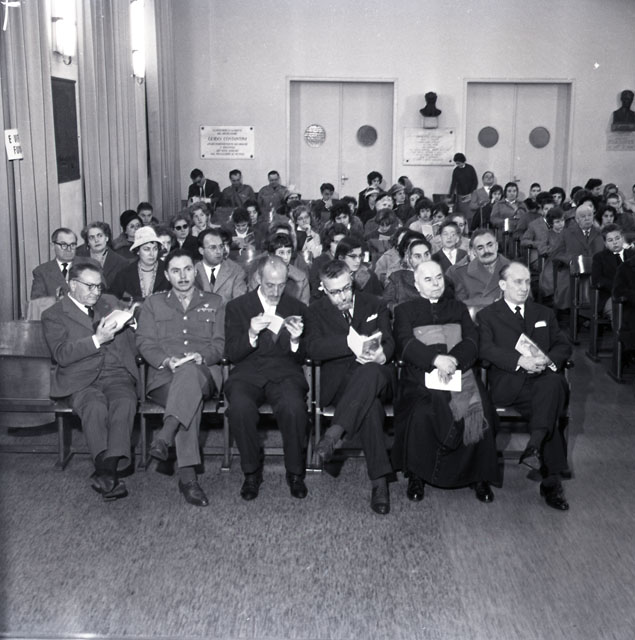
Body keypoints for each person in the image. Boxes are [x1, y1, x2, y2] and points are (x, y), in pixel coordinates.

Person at [392, 261, 499, 503]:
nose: (435, 284)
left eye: (439, 277)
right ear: (417, 285)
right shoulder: (404, 310)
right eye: (428, 280)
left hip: (459, 372)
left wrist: (453, 361)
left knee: (481, 407)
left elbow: (472, 340)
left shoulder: (458, 308)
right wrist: (435, 360)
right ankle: (417, 475)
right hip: (420, 376)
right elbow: (404, 342)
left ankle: (478, 475)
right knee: (421, 411)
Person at [477, 262, 572, 511]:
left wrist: (548, 360)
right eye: (517, 282)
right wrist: (519, 361)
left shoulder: (543, 313)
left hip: (543, 380)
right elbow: (485, 349)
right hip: (511, 384)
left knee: (551, 384)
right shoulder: (488, 316)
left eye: (528, 281)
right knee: (550, 404)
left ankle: (536, 447)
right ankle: (549, 478)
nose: (524, 287)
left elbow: (563, 345)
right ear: (502, 285)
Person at [42, 262, 139, 501]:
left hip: (116, 373)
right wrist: (97, 340)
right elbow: (61, 354)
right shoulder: (54, 314)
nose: (96, 292)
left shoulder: (109, 302)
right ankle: (109, 472)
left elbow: (131, 334)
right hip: (81, 379)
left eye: (99, 286)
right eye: (90, 286)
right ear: (72, 285)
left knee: (125, 402)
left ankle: (105, 473)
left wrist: (133, 323)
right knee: (94, 406)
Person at [136, 250, 225, 507]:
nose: (183, 276)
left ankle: (164, 437)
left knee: (188, 374)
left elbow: (220, 344)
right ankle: (188, 479)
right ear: (166, 275)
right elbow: (144, 342)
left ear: (195, 271)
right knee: (188, 400)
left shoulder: (215, 301)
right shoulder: (153, 303)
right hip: (163, 377)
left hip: (204, 372)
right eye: (176, 271)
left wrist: (202, 356)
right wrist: (166, 360)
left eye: (187, 269)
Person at [306, 260, 395, 514]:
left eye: (346, 288)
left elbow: (389, 341)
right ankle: (380, 483)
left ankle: (334, 434)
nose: (343, 296)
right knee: (370, 408)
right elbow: (312, 349)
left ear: (352, 280)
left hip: (378, 377)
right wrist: (349, 342)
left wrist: (383, 355)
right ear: (323, 288)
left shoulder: (375, 304)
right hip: (340, 385)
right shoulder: (315, 310)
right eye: (334, 292)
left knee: (370, 371)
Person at [224, 256, 309, 501]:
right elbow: (232, 353)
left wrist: (296, 341)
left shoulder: (297, 308)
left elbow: (303, 356)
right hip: (248, 372)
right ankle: (251, 472)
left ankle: (295, 472)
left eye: (281, 285)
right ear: (258, 279)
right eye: (270, 285)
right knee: (240, 408)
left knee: (294, 408)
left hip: (284, 372)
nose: (275, 291)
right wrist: (251, 333)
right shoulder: (237, 307)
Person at [446, 228, 510, 312]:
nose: (486, 251)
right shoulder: (460, 273)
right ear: (474, 252)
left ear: (497, 246)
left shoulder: (514, 270)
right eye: (480, 248)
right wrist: (490, 301)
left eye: (490, 245)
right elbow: (458, 305)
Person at [110, 226, 170, 302]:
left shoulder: (167, 270)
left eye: (155, 249)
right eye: (146, 249)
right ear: (137, 251)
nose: (152, 254)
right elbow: (112, 300)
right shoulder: (124, 274)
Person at [248, 234, 310, 305]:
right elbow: (252, 302)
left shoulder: (301, 278)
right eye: (281, 253)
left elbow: (304, 307)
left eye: (289, 252)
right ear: (271, 254)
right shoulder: (259, 276)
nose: (286, 257)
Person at [591, 224, 634, 321]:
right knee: (623, 314)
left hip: (632, 295)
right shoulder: (599, 258)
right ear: (605, 243)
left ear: (622, 238)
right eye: (610, 240)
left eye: (617, 238)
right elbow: (597, 279)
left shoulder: (632, 255)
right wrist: (619, 288)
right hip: (611, 296)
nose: (615, 242)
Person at [194, 228, 247, 305]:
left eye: (221, 246)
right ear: (201, 251)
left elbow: (239, 305)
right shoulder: (192, 271)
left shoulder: (236, 271)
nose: (219, 251)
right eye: (213, 247)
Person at [383, 237, 432, 312]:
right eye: (418, 256)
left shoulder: (441, 279)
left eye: (426, 254)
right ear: (409, 259)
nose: (423, 260)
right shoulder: (397, 278)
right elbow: (386, 303)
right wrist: (402, 311)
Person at [76, 221, 128, 289]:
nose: (96, 240)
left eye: (100, 236)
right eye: (92, 237)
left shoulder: (121, 262)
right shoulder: (79, 260)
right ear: (88, 242)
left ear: (107, 238)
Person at [31, 227, 78, 299]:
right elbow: (38, 301)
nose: (69, 249)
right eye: (64, 245)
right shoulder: (41, 272)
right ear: (52, 246)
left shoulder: (90, 265)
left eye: (72, 245)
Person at [449, 153, 478, 219]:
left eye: (459, 163)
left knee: (470, 214)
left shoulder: (470, 168)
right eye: (456, 163)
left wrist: (471, 193)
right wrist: (450, 194)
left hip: (470, 194)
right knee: (462, 214)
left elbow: (475, 181)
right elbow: (453, 183)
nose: (458, 165)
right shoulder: (456, 170)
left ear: (463, 161)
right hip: (461, 195)